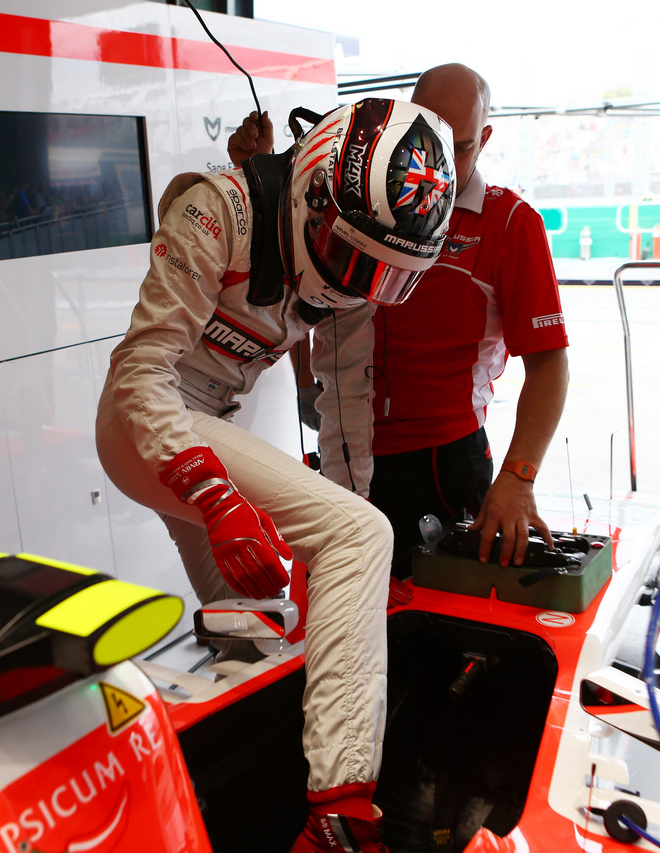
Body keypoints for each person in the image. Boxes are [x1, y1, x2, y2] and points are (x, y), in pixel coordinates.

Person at [96, 98, 456, 852]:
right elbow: (139, 370)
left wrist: (349, 561)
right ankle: (340, 812)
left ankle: (231, 799)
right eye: (360, 262)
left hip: (209, 422)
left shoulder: (353, 264)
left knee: (265, 620)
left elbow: (344, 403)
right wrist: (214, 495)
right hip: (145, 418)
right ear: (315, 193)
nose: (361, 285)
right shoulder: (215, 210)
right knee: (361, 534)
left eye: (388, 277)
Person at [229, 64, 569, 576]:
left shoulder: (510, 222)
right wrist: (261, 178)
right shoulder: (354, 188)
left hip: (443, 463)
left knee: (432, 636)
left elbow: (550, 366)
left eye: (462, 146)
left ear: (486, 139)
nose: (443, 163)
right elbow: (294, 279)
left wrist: (519, 478)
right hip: (341, 441)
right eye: (430, 134)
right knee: (334, 608)